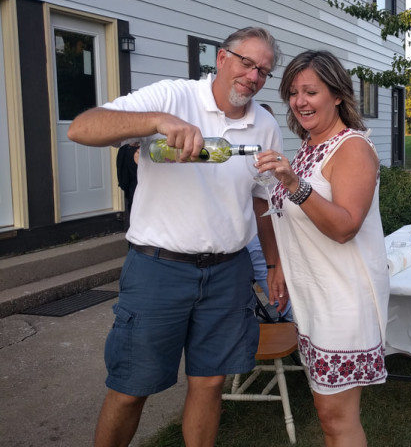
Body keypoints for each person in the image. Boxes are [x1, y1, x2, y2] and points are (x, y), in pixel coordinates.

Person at [67, 26, 282, 447]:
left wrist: (273, 264)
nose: (253, 76)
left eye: (264, 71)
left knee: (209, 384)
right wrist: (157, 122)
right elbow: (81, 128)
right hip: (158, 269)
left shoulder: (265, 124)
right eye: (247, 63)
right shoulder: (172, 97)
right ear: (222, 59)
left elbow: (262, 202)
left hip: (228, 274)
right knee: (131, 387)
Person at [260, 50, 388, 447]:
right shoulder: (308, 146)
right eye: (293, 92)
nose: (300, 101)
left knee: (337, 418)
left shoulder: (352, 148)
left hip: (344, 300)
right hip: (316, 299)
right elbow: (288, 219)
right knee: (327, 414)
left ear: (336, 95)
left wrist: (294, 183)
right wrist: (276, 264)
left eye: (311, 91)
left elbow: (345, 227)